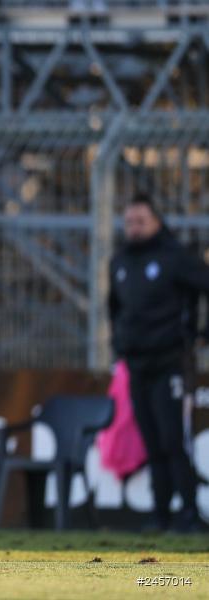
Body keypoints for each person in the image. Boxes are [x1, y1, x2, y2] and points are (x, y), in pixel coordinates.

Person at [108, 193, 208, 533]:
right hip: (137, 365)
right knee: (151, 441)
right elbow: (115, 310)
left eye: (141, 221)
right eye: (129, 222)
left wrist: (200, 332)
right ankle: (161, 515)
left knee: (172, 440)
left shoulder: (176, 258)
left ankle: (190, 515)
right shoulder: (119, 261)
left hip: (171, 363)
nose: (134, 228)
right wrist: (118, 346)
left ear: (157, 222)